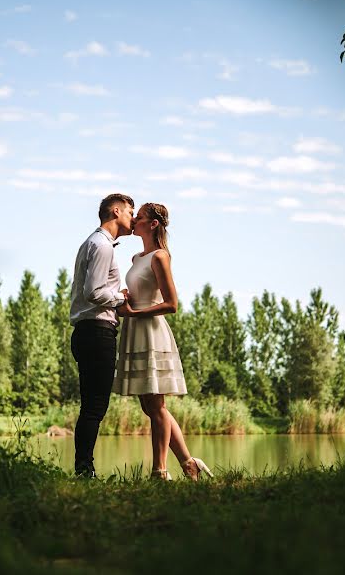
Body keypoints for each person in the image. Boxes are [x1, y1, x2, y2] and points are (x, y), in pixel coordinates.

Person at [112, 203, 213, 481]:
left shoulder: (160, 257)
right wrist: (125, 297)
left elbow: (171, 304)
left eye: (139, 217)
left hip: (152, 332)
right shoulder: (136, 258)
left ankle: (160, 471)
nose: (133, 220)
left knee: (156, 406)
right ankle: (189, 464)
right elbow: (138, 291)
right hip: (135, 329)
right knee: (149, 406)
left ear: (153, 224)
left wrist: (136, 312)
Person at [69, 193, 135, 477]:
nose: (132, 218)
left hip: (88, 331)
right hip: (96, 332)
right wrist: (120, 298)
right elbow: (93, 292)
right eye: (130, 212)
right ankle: (85, 469)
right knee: (95, 406)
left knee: (91, 406)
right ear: (116, 211)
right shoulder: (102, 245)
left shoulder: (93, 243)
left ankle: (84, 467)